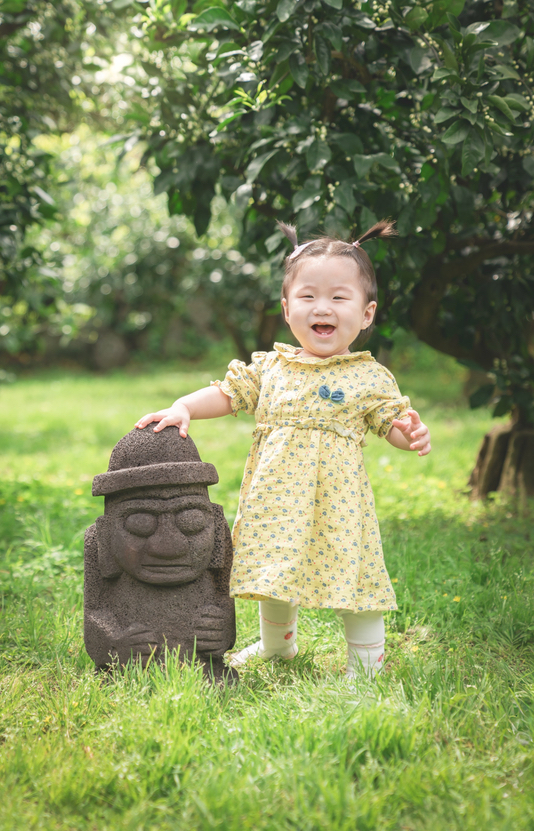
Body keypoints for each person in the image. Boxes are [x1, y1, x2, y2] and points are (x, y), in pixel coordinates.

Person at [136, 220, 431, 678]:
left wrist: (408, 433)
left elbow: (389, 422)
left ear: (366, 314)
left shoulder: (368, 377)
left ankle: (366, 668)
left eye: (339, 297)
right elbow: (228, 393)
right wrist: (184, 407)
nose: (323, 307)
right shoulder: (271, 367)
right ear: (288, 309)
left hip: (338, 507)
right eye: (308, 296)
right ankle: (277, 647)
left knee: (356, 581)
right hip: (276, 503)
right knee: (272, 572)